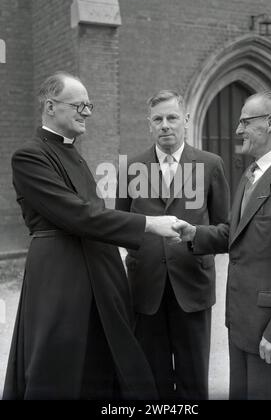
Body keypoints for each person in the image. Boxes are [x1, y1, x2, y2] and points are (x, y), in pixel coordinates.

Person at [3, 72, 182, 400]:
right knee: (60, 363)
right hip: (62, 276)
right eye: (79, 105)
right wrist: (148, 224)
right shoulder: (30, 156)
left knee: (101, 361)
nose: (87, 111)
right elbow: (77, 215)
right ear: (51, 106)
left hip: (99, 272)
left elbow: (93, 216)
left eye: (90, 105)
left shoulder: (74, 154)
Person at [175, 91, 271, 400]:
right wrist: (195, 234)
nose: (238, 130)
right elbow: (238, 232)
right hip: (243, 325)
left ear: (270, 122)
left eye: (245, 121)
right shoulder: (251, 174)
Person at [115, 90, 230, 399]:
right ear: (149, 124)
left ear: (186, 120)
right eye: (158, 119)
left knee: (194, 384)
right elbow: (120, 226)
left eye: (172, 117)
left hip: (192, 286)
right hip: (146, 288)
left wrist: (196, 235)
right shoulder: (131, 167)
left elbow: (227, 231)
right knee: (152, 383)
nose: (165, 125)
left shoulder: (210, 164)